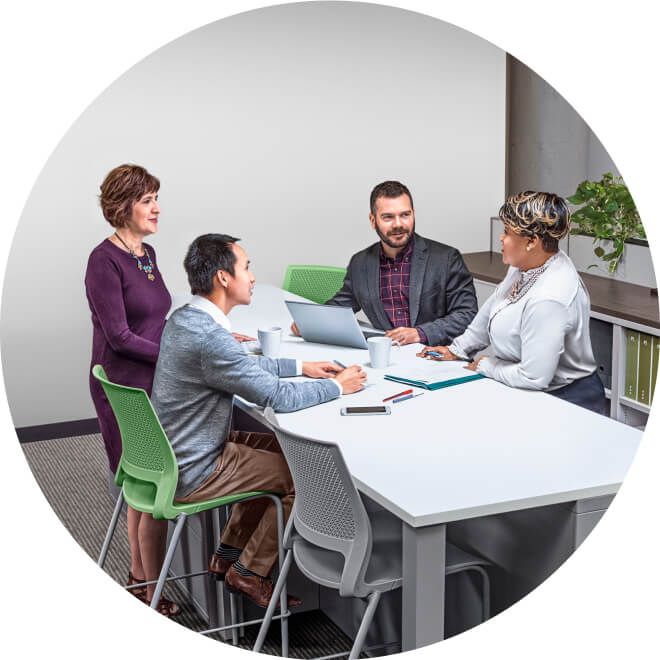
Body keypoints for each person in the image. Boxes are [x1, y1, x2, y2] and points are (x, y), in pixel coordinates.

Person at [151, 233, 366, 608]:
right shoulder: (211, 339)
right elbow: (277, 398)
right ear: (223, 278)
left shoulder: (185, 317)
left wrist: (302, 366)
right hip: (195, 466)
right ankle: (249, 573)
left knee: (278, 450)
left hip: (174, 451)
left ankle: (228, 554)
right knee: (303, 475)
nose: (251, 277)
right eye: (246, 268)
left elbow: (241, 365)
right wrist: (336, 386)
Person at [85, 164, 180, 617]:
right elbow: (120, 336)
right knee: (150, 483)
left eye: (156, 197)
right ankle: (152, 589)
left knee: (144, 484)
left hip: (151, 379)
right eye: (147, 200)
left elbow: (157, 318)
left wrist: (194, 335)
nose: (157, 207)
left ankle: (142, 583)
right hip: (124, 386)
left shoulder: (148, 253)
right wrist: (177, 358)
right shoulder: (102, 261)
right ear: (122, 206)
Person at [419, 191, 607, 415]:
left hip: (567, 400)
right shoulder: (527, 264)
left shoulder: (550, 298)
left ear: (531, 242)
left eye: (507, 232)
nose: (501, 238)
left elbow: (533, 377)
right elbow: (494, 306)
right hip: (527, 390)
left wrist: (486, 365)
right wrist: (457, 350)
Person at [291, 180, 478, 346]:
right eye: (388, 217)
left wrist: (419, 334)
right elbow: (342, 306)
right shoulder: (361, 263)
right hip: (387, 357)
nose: (398, 224)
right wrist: (311, 322)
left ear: (413, 214)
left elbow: (466, 314)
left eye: (405, 215)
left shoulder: (445, 259)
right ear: (373, 221)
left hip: (435, 358)